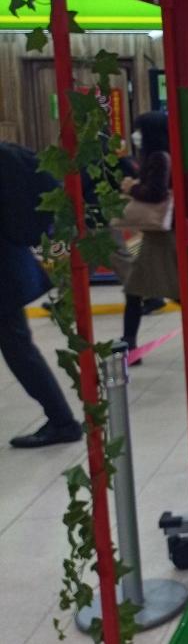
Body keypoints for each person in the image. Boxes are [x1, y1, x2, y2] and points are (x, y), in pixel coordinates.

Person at [0, 142, 82, 449]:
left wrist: (25, 231)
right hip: (10, 264)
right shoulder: (9, 153)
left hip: (5, 272)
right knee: (19, 347)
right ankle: (62, 420)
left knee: (19, 349)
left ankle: (63, 422)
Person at [120, 112, 179, 357]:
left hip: (161, 236)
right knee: (136, 288)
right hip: (159, 234)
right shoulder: (163, 155)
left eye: (139, 130)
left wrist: (131, 188)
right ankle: (128, 343)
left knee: (156, 289)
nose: (136, 135)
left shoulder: (158, 157)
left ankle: (128, 344)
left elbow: (156, 193)